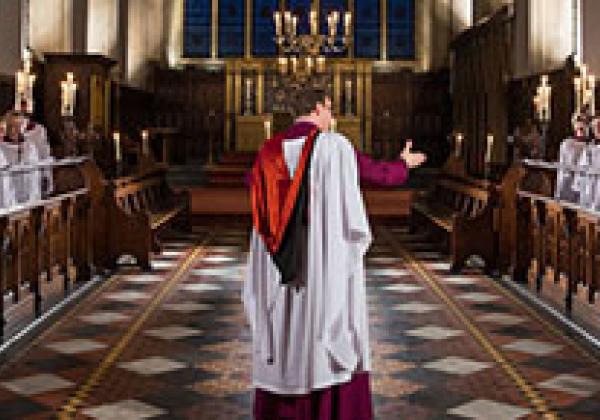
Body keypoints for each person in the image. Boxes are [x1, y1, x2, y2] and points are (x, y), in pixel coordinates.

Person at [243, 91, 426, 420]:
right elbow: (376, 173)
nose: (331, 116)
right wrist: (403, 165)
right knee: (322, 326)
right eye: (329, 108)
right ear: (317, 108)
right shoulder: (333, 146)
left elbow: (257, 195)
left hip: (279, 266)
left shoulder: (267, 152)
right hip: (323, 262)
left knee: (286, 330)